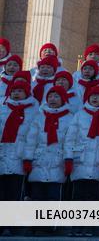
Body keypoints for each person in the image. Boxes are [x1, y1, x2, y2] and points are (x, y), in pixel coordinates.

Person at [65, 85, 99, 235]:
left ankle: (88, 226)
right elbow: (70, 138)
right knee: (78, 195)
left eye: (98, 96)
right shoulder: (79, 115)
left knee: (93, 195)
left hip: (97, 161)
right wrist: (68, 158)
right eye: (93, 95)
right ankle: (76, 225)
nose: (95, 98)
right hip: (80, 159)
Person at [24, 84, 73, 223]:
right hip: (39, 160)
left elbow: (69, 141)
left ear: (63, 99)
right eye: (50, 96)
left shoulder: (69, 118)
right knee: (37, 195)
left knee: (53, 196)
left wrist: (68, 159)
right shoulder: (39, 117)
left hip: (58, 161)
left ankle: (50, 225)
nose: (53, 99)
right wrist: (28, 158)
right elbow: (31, 140)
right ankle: (36, 224)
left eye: (56, 96)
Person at [0, 80, 35, 235]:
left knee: (15, 193)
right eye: (14, 91)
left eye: (20, 91)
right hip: (3, 155)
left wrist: (28, 158)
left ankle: (12, 225)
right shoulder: (3, 108)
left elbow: (33, 137)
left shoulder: (33, 111)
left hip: (19, 157)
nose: (16, 94)